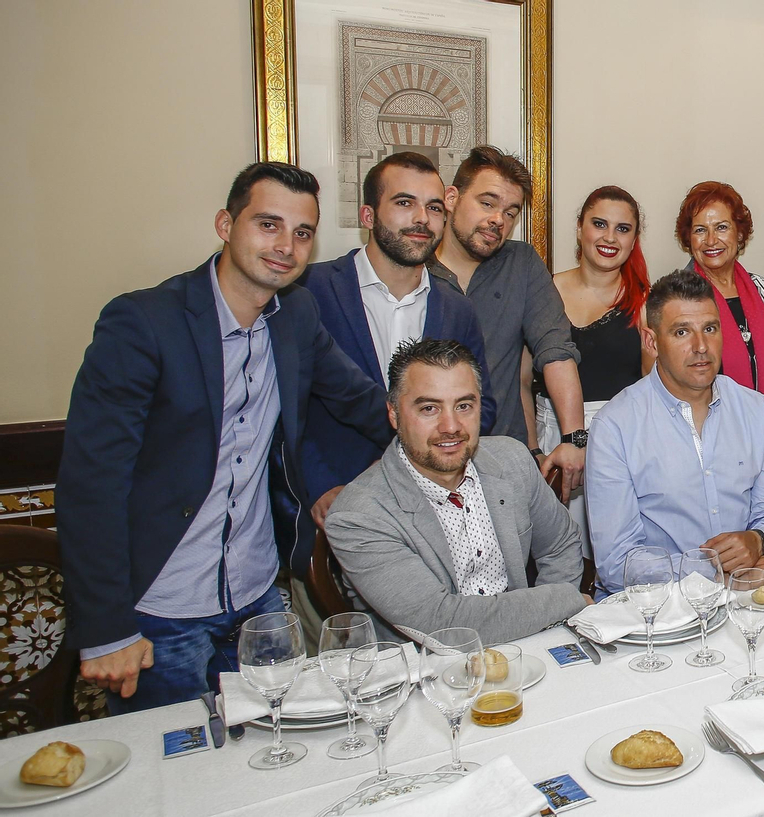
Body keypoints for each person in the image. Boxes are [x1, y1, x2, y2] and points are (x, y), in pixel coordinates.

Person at [58, 163, 391, 713]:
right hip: (161, 609)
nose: (285, 246)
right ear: (225, 224)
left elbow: (361, 402)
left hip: (259, 597)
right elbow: (90, 483)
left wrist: (443, 440)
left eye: (302, 233)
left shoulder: (296, 315)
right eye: (267, 224)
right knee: (175, 779)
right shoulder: (143, 323)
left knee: (267, 759)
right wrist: (106, 627)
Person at [324, 339, 589, 644]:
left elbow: (559, 543)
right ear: (394, 414)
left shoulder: (512, 460)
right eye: (429, 408)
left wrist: (549, 634)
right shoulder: (358, 514)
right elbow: (441, 623)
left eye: (464, 406)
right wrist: (566, 602)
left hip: (526, 647)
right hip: (424, 673)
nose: (450, 426)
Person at [299, 152, 494, 527]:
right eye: (405, 203)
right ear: (368, 215)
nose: (422, 218)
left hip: (432, 514)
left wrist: (432, 468)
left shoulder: (458, 310)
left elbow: (483, 407)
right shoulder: (309, 292)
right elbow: (282, 411)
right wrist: (318, 484)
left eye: (434, 208)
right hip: (332, 510)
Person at [586, 271, 764, 595]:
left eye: (710, 329)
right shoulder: (615, 428)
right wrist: (717, 572)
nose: (701, 346)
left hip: (746, 602)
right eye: (682, 331)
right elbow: (617, 564)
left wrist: (759, 540)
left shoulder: (755, 411)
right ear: (652, 342)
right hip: (657, 616)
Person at [429, 146, 585, 500]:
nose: (499, 219)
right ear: (451, 198)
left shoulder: (522, 263)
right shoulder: (415, 268)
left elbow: (556, 349)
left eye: (510, 212)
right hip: (426, 464)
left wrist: (575, 439)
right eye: (487, 203)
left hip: (503, 462)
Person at [548, 186, 654, 554]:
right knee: (555, 558)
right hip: (553, 442)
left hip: (621, 444)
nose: (610, 237)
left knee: (612, 555)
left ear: (634, 239)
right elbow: (519, 377)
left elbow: (654, 388)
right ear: (579, 228)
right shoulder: (544, 291)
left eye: (623, 229)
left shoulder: (645, 302)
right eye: (599, 224)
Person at [675, 181, 764, 408]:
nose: (711, 240)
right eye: (700, 230)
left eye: (721, 227)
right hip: (706, 428)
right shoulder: (679, 299)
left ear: (739, 234)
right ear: (689, 239)